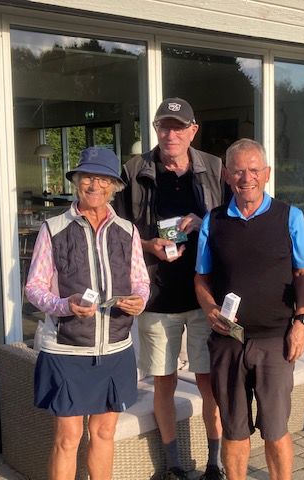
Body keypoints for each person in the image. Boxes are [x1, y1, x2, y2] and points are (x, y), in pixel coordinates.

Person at [113, 98, 224, 479]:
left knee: (208, 382)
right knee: (164, 382)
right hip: (157, 296)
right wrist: (148, 245)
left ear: (193, 130)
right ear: (156, 129)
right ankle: (174, 464)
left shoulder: (215, 168)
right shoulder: (134, 170)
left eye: (178, 127)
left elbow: (230, 223)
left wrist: (205, 221)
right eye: (164, 126)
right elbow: (120, 232)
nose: (170, 134)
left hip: (203, 296)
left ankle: (214, 463)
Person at [25, 147, 150, 480]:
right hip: (67, 350)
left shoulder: (128, 230)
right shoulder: (52, 228)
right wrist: (65, 305)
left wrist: (139, 300)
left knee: (104, 433)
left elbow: (141, 281)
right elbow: (34, 288)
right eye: (88, 178)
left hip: (115, 349)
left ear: (114, 186)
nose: (95, 186)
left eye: (104, 179)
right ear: (77, 181)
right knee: (68, 438)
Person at [194, 138, 304, 480]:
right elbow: (201, 277)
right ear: (227, 175)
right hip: (228, 340)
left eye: (254, 170)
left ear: (267, 173)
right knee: (234, 430)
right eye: (238, 171)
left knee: (275, 430)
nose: (246, 178)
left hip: (275, 340)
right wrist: (209, 308)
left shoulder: (289, 216)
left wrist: (301, 322)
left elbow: (303, 273)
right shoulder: (214, 221)